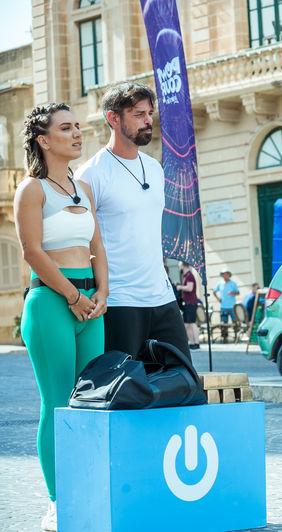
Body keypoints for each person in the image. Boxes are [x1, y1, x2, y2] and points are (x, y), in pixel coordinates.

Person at [16, 103, 109, 531]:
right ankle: (58, 502)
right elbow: (32, 251)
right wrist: (72, 295)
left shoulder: (83, 187)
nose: (77, 134)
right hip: (52, 301)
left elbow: (97, 247)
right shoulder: (32, 189)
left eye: (78, 127)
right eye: (66, 128)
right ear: (43, 139)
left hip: (91, 304)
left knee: (90, 405)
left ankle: (87, 493)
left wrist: (102, 291)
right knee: (57, 403)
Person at [76, 82, 191, 357]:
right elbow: (87, 243)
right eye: (139, 114)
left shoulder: (155, 169)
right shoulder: (89, 175)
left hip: (162, 297)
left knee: (183, 377)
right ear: (113, 118)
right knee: (124, 382)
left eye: (150, 113)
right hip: (119, 300)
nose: (148, 120)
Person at [176, 261, 201, 349]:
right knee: (187, 324)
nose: (178, 267)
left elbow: (190, 288)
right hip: (187, 303)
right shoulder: (185, 275)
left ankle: (197, 343)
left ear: (183, 265)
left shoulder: (189, 275)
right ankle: (192, 343)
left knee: (192, 323)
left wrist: (180, 287)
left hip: (191, 303)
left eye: (179, 265)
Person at [213, 270, 239, 341]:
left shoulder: (233, 283)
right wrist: (218, 299)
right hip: (223, 306)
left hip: (232, 306)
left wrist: (233, 293)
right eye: (223, 274)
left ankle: (236, 337)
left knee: (234, 322)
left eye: (226, 274)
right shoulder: (220, 283)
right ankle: (225, 338)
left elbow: (238, 292)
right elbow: (214, 291)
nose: (224, 276)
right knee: (224, 323)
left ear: (229, 275)